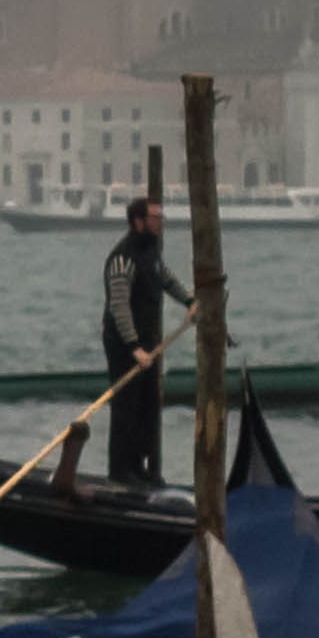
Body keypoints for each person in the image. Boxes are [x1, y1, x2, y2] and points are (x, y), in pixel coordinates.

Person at [99, 197, 194, 487]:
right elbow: (120, 307)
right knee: (126, 405)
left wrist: (189, 300)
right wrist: (133, 347)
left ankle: (142, 468)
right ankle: (121, 470)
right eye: (155, 217)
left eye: (161, 216)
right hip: (123, 344)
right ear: (138, 221)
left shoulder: (151, 253)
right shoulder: (122, 259)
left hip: (148, 344)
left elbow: (165, 279)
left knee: (148, 405)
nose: (160, 222)